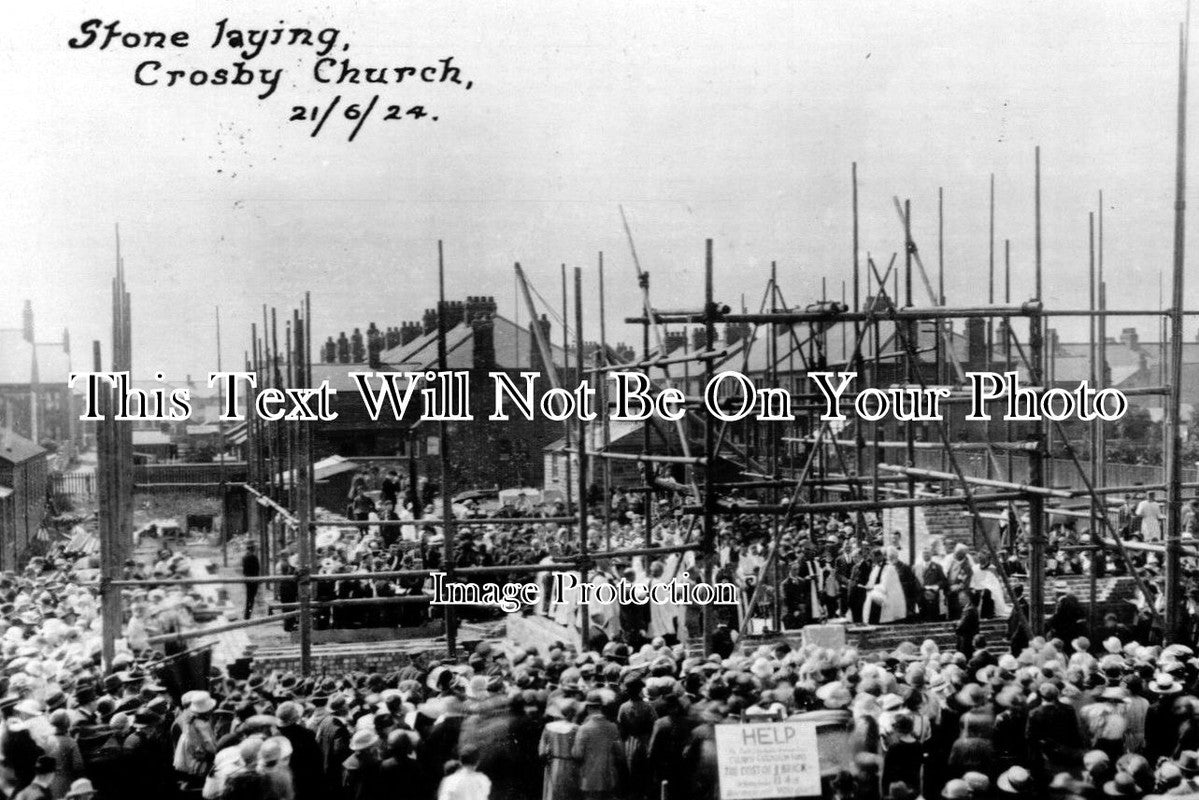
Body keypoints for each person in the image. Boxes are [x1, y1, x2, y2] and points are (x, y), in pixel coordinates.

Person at [242, 542, 261, 620]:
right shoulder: (253, 557)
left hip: (247, 579)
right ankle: (248, 615)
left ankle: (247, 614)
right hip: (253, 579)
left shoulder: (244, 557)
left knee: (249, 597)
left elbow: (244, 570)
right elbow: (257, 569)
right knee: (251, 597)